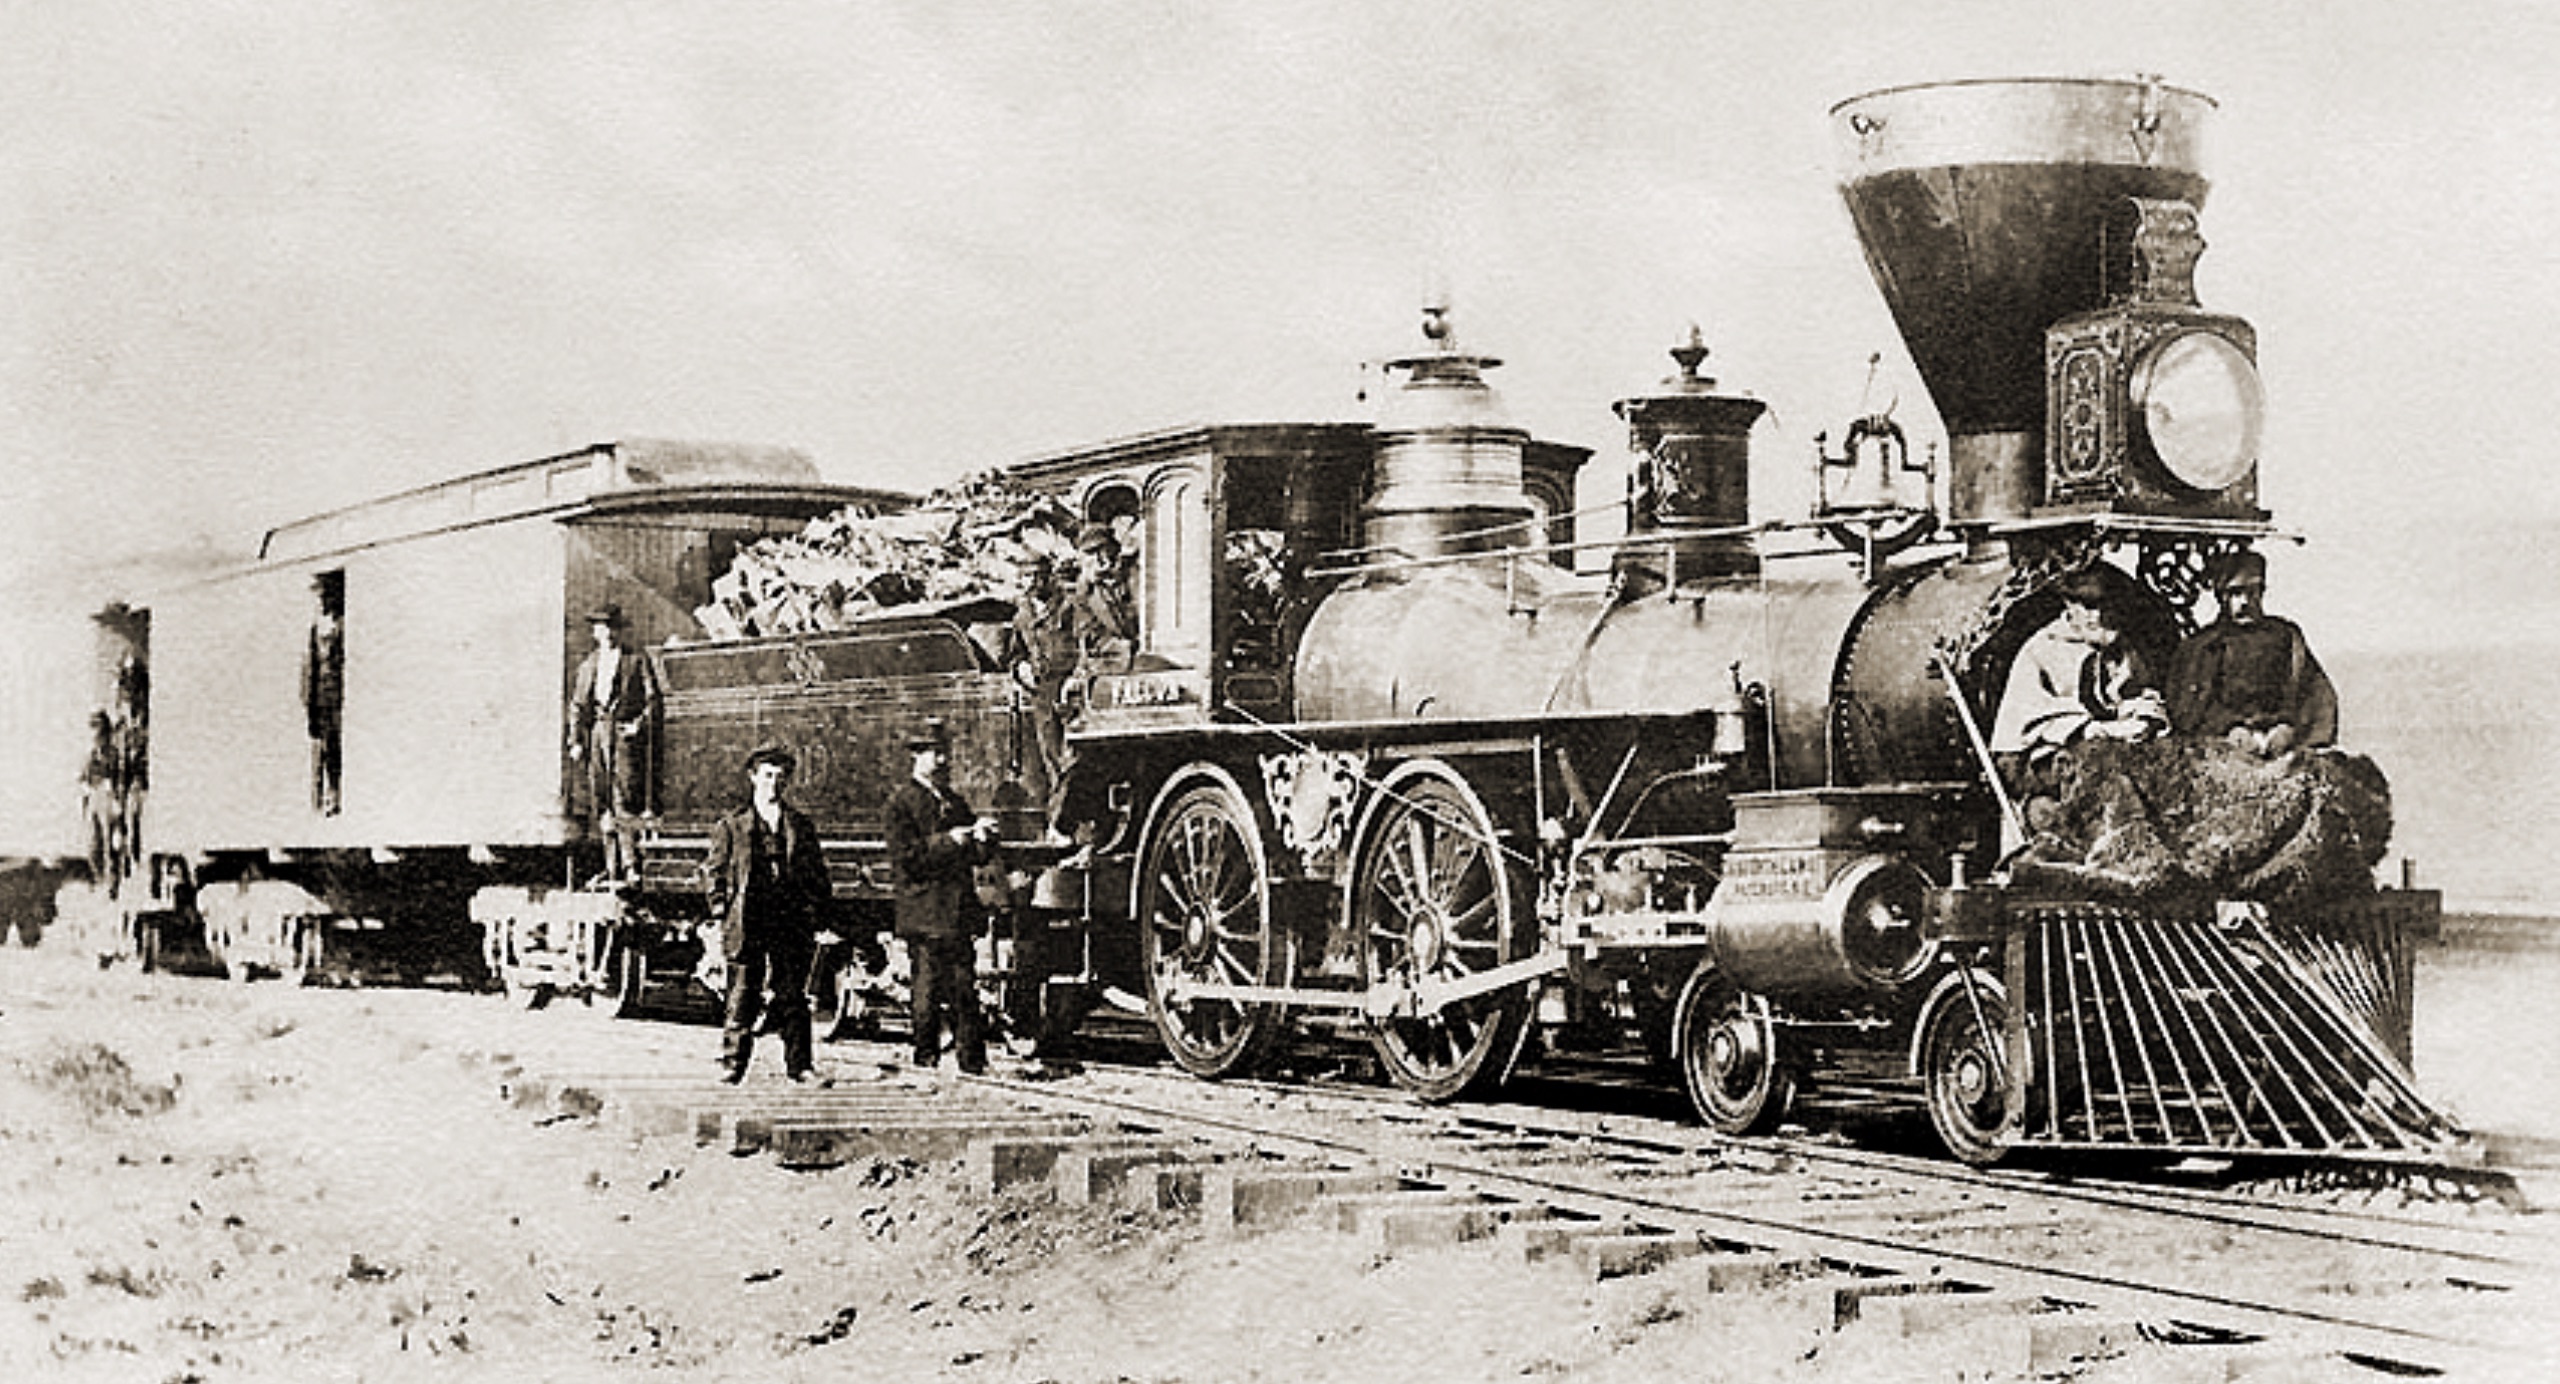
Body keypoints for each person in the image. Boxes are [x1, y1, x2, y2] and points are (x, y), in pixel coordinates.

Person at [1989, 570, 2168, 849]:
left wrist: (2144, 719)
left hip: (2116, 755)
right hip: (2051, 765)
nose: (2096, 616)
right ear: (2068, 605)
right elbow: (2025, 720)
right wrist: (2092, 728)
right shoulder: (2041, 650)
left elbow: (2142, 692)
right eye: (2086, 607)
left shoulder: (2118, 644)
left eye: (2102, 606)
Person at [701, 743, 832, 1084]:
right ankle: (733, 1065)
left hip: (788, 919)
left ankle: (800, 1066)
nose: (773, 782)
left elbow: (817, 875)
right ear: (753, 778)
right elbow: (713, 870)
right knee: (742, 994)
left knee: (793, 996)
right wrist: (720, 910)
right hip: (748, 919)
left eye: (779, 777)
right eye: (767, 775)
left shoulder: (800, 825)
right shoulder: (732, 825)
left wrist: (817, 915)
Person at [885, 719, 997, 1074]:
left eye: (944, 752)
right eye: (935, 753)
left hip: (957, 912)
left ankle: (972, 1062)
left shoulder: (953, 801)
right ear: (917, 757)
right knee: (927, 994)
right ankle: (925, 1058)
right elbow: (909, 858)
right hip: (925, 913)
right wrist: (955, 839)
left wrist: (982, 838)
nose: (943, 760)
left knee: (966, 991)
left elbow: (975, 857)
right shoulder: (901, 803)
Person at [2168, 551, 2338, 757]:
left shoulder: (2285, 636)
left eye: (2252, 592)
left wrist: (2289, 728)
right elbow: (2190, 707)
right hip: (2223, 744)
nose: (2245, 602)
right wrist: (2228, 729)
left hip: (2282, 741)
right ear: (2223, 597)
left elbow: (2314, 692)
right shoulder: (2204, 645)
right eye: (2236, 593)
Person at [567, 604, 661, 882]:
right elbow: (578, 705)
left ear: (619, 630)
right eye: (600, 627)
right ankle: (612, 866)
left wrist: (637, 725)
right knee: (602, 800)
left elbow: (653, 699)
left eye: (611, 627)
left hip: (623, 737)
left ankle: (632, 865)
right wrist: (575, 740)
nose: (606, 632)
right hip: (598, 733)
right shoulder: (589, 665)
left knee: (624, 798)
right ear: (595, 633)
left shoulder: (636, 660)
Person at [1005, 556, 1078, 836]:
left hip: (1069, 688)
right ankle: (1059, 825)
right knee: (1052, 760)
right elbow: (1015, 655)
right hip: (1042, 694)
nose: (1032, 583)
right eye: (1026, 577)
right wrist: (1021, 668)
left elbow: (1084, 644)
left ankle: (1064, 824)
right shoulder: (1022, 616)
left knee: (1072, 757)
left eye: (1037, 576)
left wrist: (1076, 678)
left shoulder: (1069, 605)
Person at [303, 578, 344, 817]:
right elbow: (310, 666)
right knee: (323, 747)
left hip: (335, 697)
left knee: (335, 748)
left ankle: (334, 794)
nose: (322, 602)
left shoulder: (341, 625)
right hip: (321, 699)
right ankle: (322, 798)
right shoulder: (315, 630)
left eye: (325, 597)